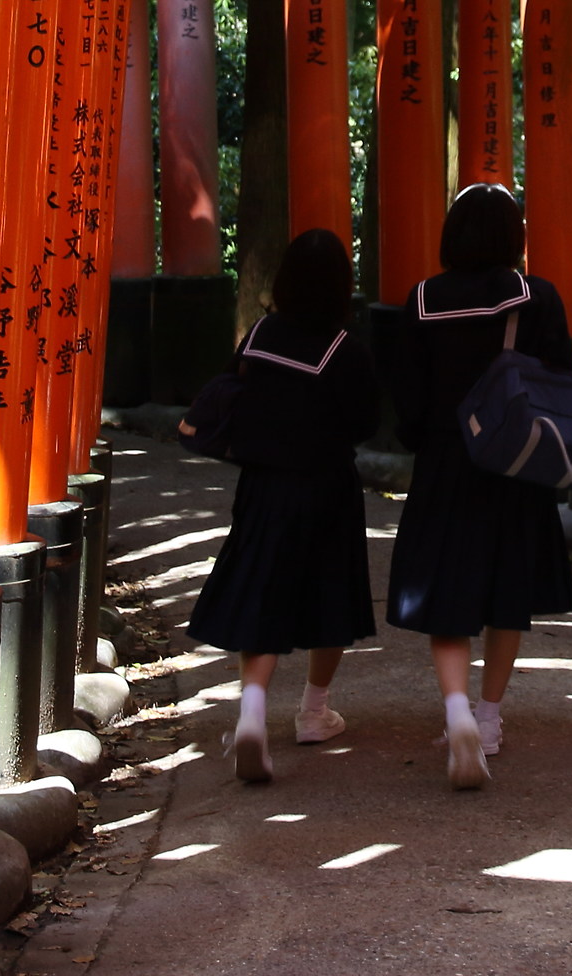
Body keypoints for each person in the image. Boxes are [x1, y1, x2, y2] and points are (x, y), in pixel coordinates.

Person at [385, 183, 572, 790]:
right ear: (514, 237)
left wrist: (424, 440)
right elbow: (562, 382)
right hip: (516, 464)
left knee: (447, 591)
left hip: (447, 462)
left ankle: (455, 711)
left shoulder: (423, 300)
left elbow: (408, 400)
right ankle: (489, 718)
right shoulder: (537, 297)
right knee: (505, 591)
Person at [186, 229, 381, 783]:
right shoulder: (346, 349)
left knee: (262, 592)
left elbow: (233, 389)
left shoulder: (260, 334)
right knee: (330, 593)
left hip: (264, 486)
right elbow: (365, 423)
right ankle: (314, 712)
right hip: (327, 487)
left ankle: (252, 710)